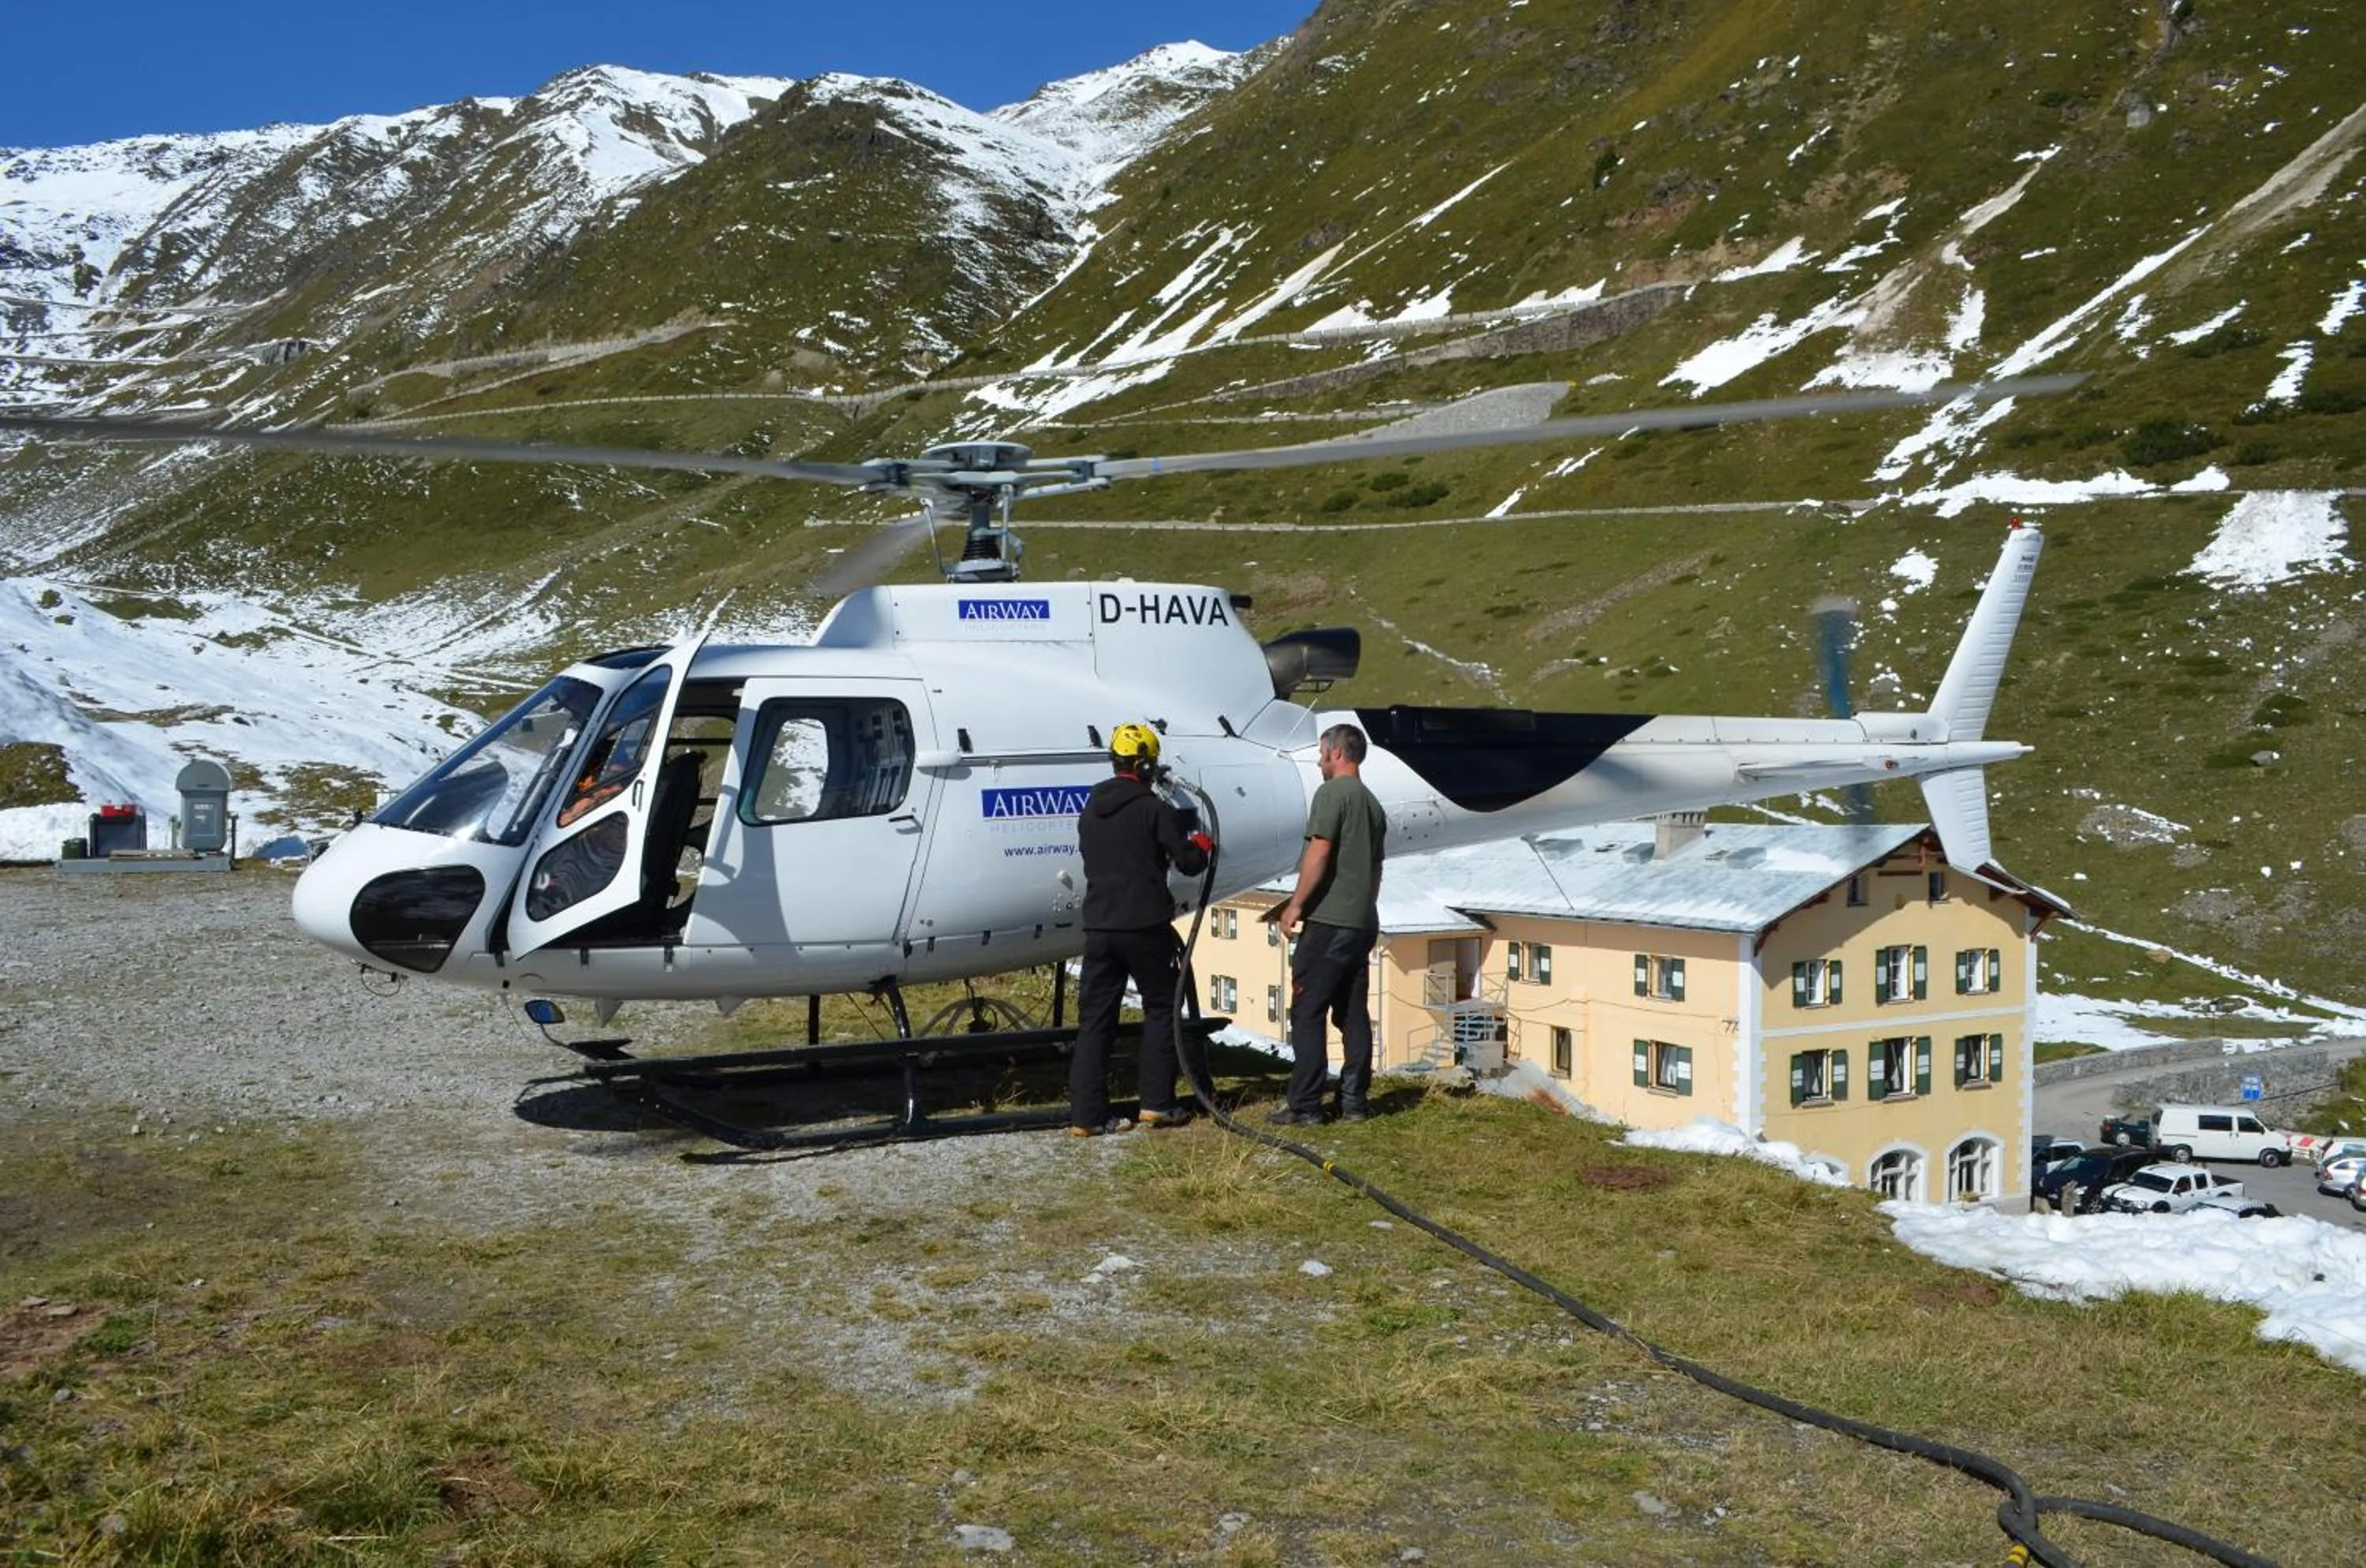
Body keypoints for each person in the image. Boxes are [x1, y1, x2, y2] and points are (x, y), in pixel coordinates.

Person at [1069, 722, 1214, 1137]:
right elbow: (1188, 862)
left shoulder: (1090, 810)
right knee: (1161, 1007)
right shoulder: (1154, 810)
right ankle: (1156, 1104)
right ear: (1145, 765)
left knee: (1096, 1020)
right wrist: (1200, 846)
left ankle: (1087, 1117)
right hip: (1145, 926)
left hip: (1100, 927)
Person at [1267, 723, 1387, 1126]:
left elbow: (1319, 851)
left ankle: (1306, 1105)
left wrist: (1295, 905)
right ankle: (1354, 1102)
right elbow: (1376, 870)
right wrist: (1361, 908)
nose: (1320, 762)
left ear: (1337, 753)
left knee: (1308, 1010)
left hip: (1329, 922)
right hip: (1362, 922)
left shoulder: (1332, 794)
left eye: (1322, 754)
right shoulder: (1373, 804)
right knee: (1352, 1012)